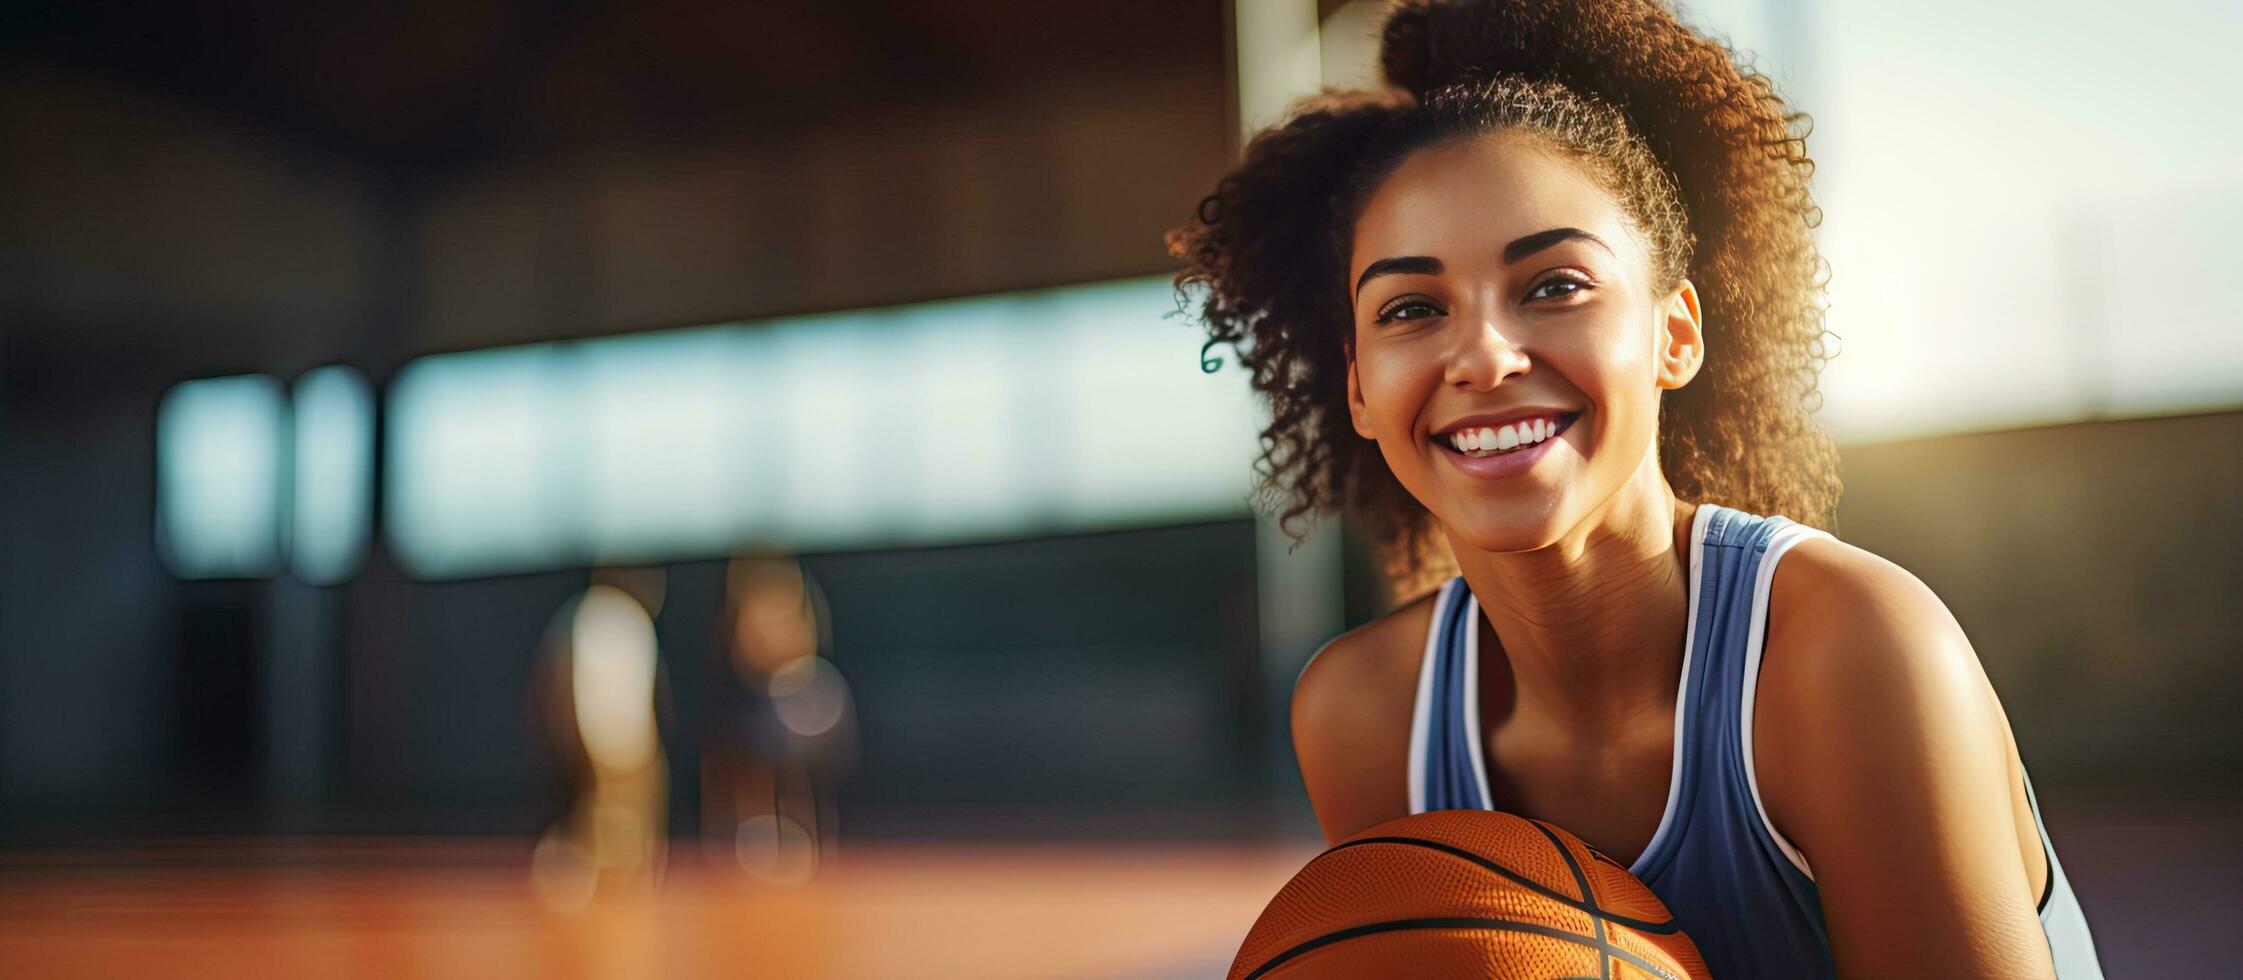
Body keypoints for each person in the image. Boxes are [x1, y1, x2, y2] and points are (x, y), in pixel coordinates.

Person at [1166, 1, 2102, 976]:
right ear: (1358, 385)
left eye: (1553, 285)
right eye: (1410, 308)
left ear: (1674, 333)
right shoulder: (1365, 715)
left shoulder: (1847, 652)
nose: (1482, 355)